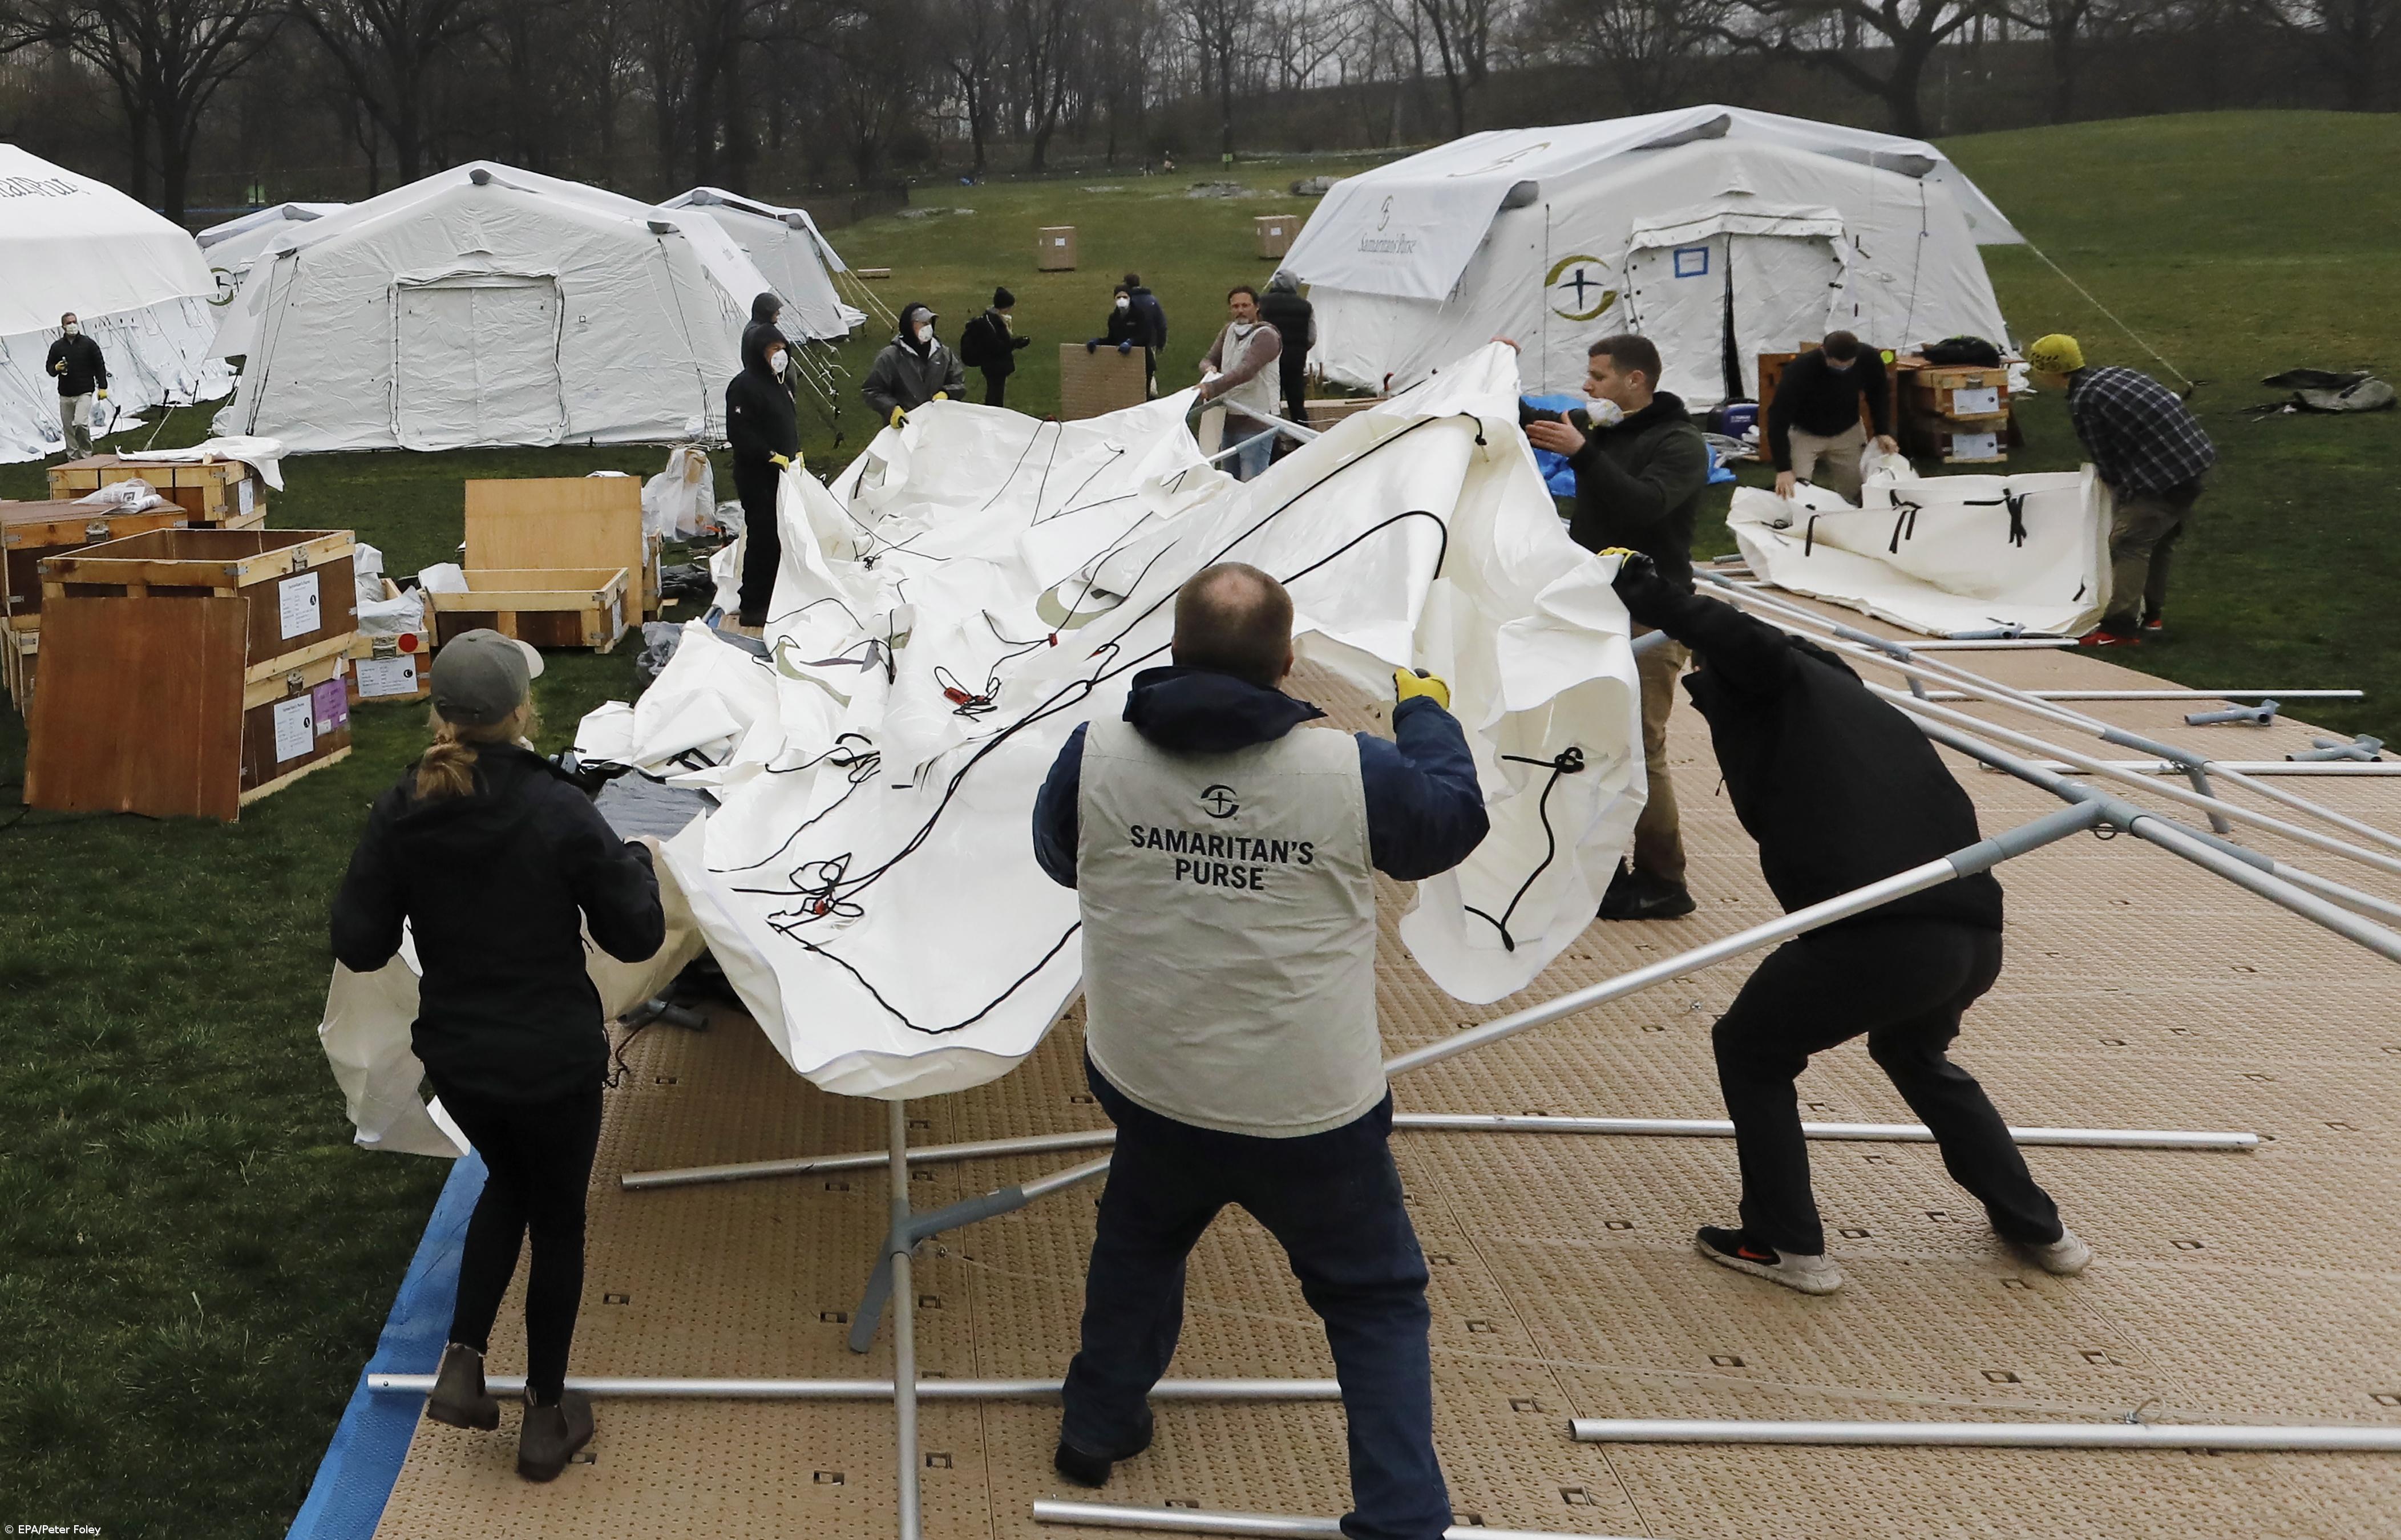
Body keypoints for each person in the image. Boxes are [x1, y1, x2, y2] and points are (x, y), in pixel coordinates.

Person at [1031, 563, 1488, 1540]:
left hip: (1152, 1073)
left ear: (1170, 649)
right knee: (1372, 1297)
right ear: (1286, 663)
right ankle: (1402, 1514)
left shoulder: (1096, 749)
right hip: (1305, 1104)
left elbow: (1059, 854)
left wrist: (1170, 851)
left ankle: (1097, 1423)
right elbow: (1449, 822)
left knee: (1139, 1239)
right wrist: (1426, 717)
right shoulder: (1347, 770)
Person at [1604, 549, 2089, 1295]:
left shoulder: (1785, 682)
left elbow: (1746, 641)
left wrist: (1642, 588)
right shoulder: (1860, 710)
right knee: (1915, 1053)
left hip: (1881, 931)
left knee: (1751, 1047)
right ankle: (2040, 1226)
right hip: (1970, 934)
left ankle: (1784, 1243)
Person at [330, 630, 666, 1480]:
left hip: (462, 1063)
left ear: (441, 712)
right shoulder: (559, 808)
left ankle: (463, 1359)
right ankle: (546, 1418)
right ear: (522, 710)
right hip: (552, 1063)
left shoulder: (401, 805)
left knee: (506, 1180)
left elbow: (361, 944)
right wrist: (631, 859)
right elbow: (638, 931)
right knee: (556, 1219)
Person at [1518, 333, 1709, 922]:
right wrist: (1498, 374)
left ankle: (1662, 878)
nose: (1587, 386)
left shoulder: (1679, 444)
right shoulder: (1603, 426)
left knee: (1638, 746)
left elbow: (1642, 507)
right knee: (1591, 740)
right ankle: (1604, 868)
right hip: (1594, 607)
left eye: (1598, 376)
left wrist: (1582, 453)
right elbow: (1540, 420)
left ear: (1635, 381)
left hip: (1651, 617)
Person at [2026, 333, 2216, 645]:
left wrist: (2122, 493)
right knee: (2157, 541)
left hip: (2165, 476)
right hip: (2192, 462)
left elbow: (2106, 460)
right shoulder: (2116, 374)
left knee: (2129, 541)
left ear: (2049, 371)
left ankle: (2119, 629)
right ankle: (2151, 615)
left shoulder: (2084, 402)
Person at [726, 323, 801, 628]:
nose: (780, 355)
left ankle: (776, 595)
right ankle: (754, 605)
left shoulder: (780, 383)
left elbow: (785, 423)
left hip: (782, 473)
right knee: (762, 536)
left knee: (781, 535)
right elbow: (740, 433)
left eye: (783, 348)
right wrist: (769, 455)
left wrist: (794, 453)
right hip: (757, 475)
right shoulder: (743, 387)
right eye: (774, 349)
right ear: (759, 353)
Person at [1768, 330, 1898, 503]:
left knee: (1858, 493)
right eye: (1836, 365)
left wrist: (1882, 431)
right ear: (1823, 351)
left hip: (1848, 431)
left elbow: (1879, 394)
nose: (1842, 369)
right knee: (1794, 492)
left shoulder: (1869, 359)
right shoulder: (1799, 370)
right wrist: (1783, 469)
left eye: (1848, 365)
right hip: (1805, 433)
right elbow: (1778, 418)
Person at [1198, 286, 1282, 483]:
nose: (1240, 310)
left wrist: (1212, 388)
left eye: (1245, 305)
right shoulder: (1228, 331)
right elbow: (1208, 359)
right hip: (1229, 422)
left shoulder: (1266, 336)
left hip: (1256, 422)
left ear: (1256, 307)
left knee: (1251, 485)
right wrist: (1209, 369)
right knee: (1229, 483)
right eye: (1235, 306)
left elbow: (1246, 371)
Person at [862, 302, 965, 426]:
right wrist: (892, 409)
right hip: (905, 425)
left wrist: (947, 393)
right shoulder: (890, 357)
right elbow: (873, 390)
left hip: (937, 424)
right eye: (922, 323)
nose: (927, 327)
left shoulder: (943, 353)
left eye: (929, 323)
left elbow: (958, 382)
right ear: (909, 326)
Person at [45, 313, 107, 459]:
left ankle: (86, 454)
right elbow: (49, 367)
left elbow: (100, 365)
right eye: (69, 323)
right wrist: (56, 369)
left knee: (80, 423)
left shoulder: (88, 344)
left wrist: (102, 386)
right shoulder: (57, 346)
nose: (72, 325)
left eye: (74, 322)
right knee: (69, 429)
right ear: (63, 327)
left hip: (84, 391)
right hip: (65, 393)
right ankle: (73, 459)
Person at [1258, 270, 1315, 427]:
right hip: (1295, 362)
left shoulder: (1261, 304)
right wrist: (1300, 350)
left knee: (1270, 404)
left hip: (1268, 361)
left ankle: (1272, 444)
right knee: (1297, 404)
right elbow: (1311, 338)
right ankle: (1303, 442)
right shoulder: (1305, 307)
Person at [958, 286, 1032, 408]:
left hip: (994, 365)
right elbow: (997, 347)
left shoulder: (993, 320)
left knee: (996, 393)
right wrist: (1016, 343)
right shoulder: (992, 323)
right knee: (995, 396)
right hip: (994, 366)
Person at [1123, 273, 1168, 397]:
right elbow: (1161, 323)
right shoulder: (1152, 300)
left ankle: (1133, 395)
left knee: (1130, 370)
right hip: (1150, 342)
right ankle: (1152, 393)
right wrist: (1161, 342)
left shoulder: (1127, 302)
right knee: (1149, 369)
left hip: (1130, 343)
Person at [1086, 284, 1145, 358]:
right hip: (1121, 359)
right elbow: (1112, 340)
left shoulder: (1139, 314)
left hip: (1140, 358)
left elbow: (1145, 336)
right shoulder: (1113, 318)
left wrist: (1131, 342)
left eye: (1125, 297)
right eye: (1119, 297)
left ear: (1130, 298)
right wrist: (1098, 342)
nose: (1122, 300)